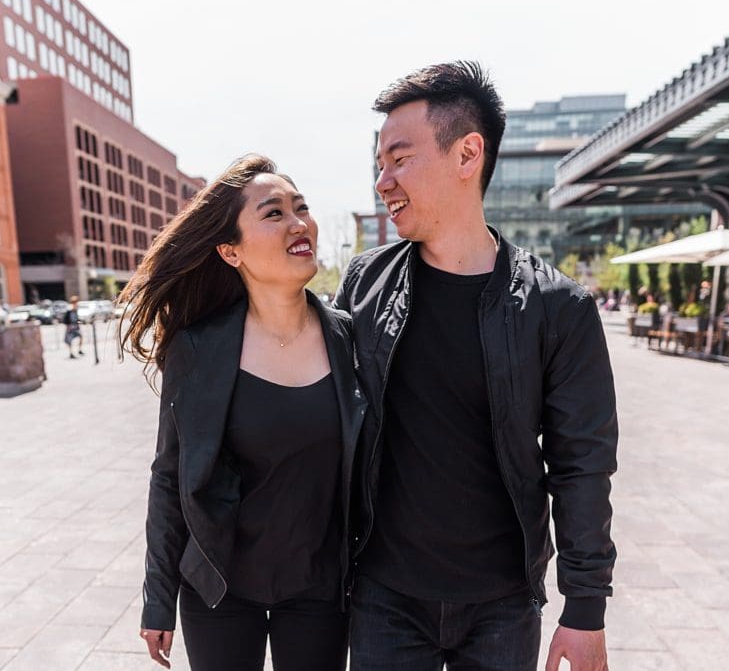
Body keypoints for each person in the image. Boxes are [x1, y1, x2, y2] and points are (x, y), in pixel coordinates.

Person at [334, 62, 617, 671]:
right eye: (378, 164)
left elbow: (582, 464)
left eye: (399, 159)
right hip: (383, 596)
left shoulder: (557, 307)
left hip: (502, 603)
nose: (382, 181)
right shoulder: (363, 284)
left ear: (467, 155)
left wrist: (585, 608)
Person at [119, 155, 364, 671]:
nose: (299, 223)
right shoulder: (197, 349)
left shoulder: (350, 340)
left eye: (301, 208)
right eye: (273, 214)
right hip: (220, 588)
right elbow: (170, 477)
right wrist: (158, 596)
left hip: (320, 588)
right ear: (231, 251)